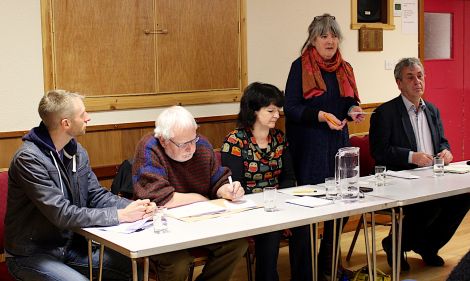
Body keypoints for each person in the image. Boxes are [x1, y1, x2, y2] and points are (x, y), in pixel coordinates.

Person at [5, 90, 156, 281]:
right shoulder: (29, 159)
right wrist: (119, 216)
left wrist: (135, 207)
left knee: (133, 270)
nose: (88, 118)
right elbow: (61, 213)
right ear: (65, 123)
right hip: (32, 254)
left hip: (69, 247)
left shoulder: (76, 151)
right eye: (82, 114)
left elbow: (95, 195)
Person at [369, 57, 470, 271]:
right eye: (410, 77)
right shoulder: (384, 113)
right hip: (401, 179)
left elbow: (441, 141)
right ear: (399, 83)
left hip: (433, 176)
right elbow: (379, 151)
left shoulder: (432, 110)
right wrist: (411, 156)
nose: (417, 81)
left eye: (420, 76)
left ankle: (428, 245)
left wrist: (446, 152)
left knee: (463, 196)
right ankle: (395, 244)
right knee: (430, 201)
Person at [284, 13, 364, 279]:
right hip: (308, 149)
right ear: (313, 39)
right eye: (323, 35)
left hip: (338, 147)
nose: (330, 41)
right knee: (308, 213)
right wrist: (320, 116)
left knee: (339, 210)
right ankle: (305, 273)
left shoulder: (345, 68)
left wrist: (353, 110)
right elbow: (291, 108)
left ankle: (329, 266)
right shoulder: (300, 66)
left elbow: (349, 102)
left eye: (333, 35)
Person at [132, 105, 248, 281]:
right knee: (178, 263)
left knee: (236, 245)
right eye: (183, 144)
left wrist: (228, 190)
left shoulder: (201, 144)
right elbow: (160, 198)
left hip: (198, 222)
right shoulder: (149, 147)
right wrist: (200, 199)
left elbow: (218, 180)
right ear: (163, 140)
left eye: (193, 140)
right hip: (160, 226)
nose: (191, 148)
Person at [221, 82, 312, 281]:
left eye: (278, 110)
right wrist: (268, 207)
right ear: (253, 111)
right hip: (249, 206)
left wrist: (283, 206)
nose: (277, 115)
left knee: (304, 225)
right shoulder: (235, 141)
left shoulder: (279, 138)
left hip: (278, 202)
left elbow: (288, 176)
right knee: (270, 230)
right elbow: (236, 185)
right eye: (270, 110)